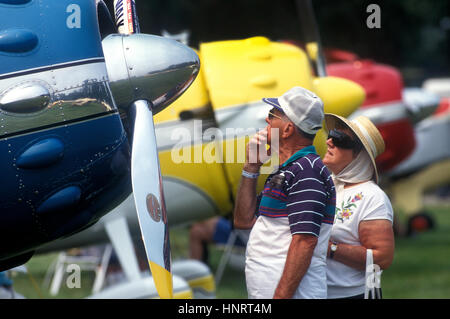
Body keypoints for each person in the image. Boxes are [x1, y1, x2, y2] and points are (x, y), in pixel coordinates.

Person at [234, 86, 336, 299]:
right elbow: (243, 220)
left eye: (272, 115)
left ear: (288, 130)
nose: (266, 120)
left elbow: (305, 241)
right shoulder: (290, 170)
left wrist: (281, 296)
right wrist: (251, 167)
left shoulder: (307, 171)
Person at [322, 113, 395, 299]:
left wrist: (327, 247)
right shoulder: (326, 185)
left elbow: (382, 258)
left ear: (359, 155)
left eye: (340, 139)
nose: (329, 142)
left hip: (353, 294)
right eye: (331, 135)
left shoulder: (373, 197)